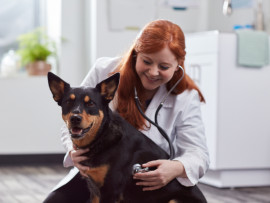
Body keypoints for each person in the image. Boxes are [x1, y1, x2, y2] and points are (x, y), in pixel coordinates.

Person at [44, 19, 209, 203]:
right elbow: (75, 118)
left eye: (164, 67)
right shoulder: (105, 71)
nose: (153, 72)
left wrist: (176, 167)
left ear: (178, 64)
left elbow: (198, 153)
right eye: (147, 61)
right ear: (135, 54)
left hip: (148, 183)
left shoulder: (186, 97)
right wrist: (74, 151)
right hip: (97, 170)